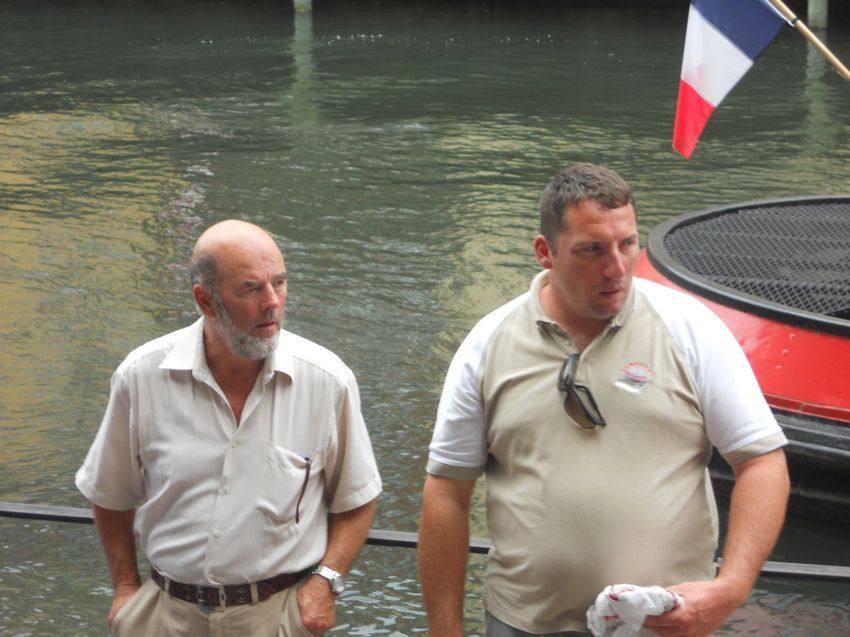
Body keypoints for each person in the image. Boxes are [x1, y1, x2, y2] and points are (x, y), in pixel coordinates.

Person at [417, 164, 790, 637]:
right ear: (545, 252)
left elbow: (761, 460)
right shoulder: (488, 343)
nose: (616, 268)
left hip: (664, 623)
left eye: (627, 244)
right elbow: (447, 491)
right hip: (524, 622)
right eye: (592, 250)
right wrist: (444, 630)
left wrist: (731, 587)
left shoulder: (690, 328)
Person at [76, 219, 382, 636]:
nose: (272, 302)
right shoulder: (141, 377)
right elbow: (109, 492)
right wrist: (126, 587)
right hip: (165, 617)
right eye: (251, 289)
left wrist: (325, 584)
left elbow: (358, 498)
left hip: (277, 618)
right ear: (206, 300)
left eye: (279, 283)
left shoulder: (327, 381)